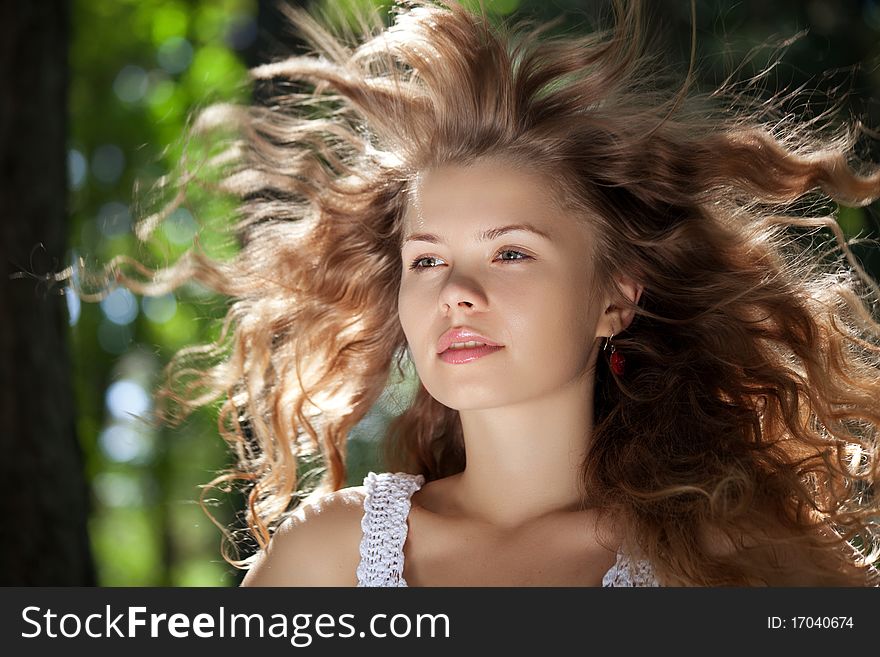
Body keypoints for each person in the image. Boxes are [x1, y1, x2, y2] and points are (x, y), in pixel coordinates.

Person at [107, 0, 880, 586]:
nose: (458, 293)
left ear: (615, 297)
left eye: (510, 251)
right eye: (427, 260)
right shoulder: (323, 556)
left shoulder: (740, 559)